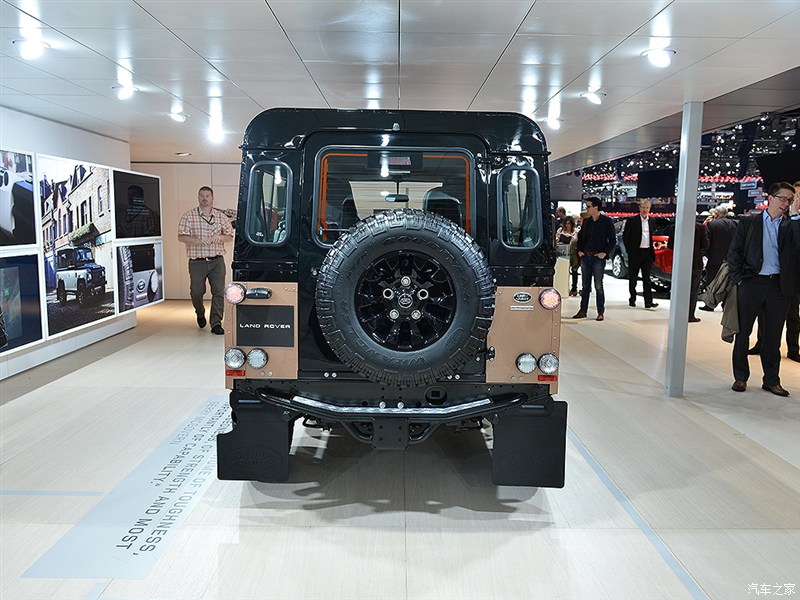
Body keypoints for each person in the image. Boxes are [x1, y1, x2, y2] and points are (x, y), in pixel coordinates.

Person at [728, 182, 799, 396]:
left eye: (790, 200)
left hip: (779, 287)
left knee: (773, 336)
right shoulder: (749, 222)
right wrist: (739, 279)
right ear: (770, 198)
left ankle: (771, 380)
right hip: (751, 283)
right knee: (743, 332)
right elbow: (734, 252)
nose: (785, 203)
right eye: (782, 198)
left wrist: (796, 217)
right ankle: (740, 377)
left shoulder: (791, 225)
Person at [178, 186, 234, 335]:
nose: (204, 198)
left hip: (217, 261)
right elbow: (181, 237)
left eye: (207, 196)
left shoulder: (221, 217)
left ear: (212, 198)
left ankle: (216, 323)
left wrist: (220, 238)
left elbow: (230, 237)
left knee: (218, 292)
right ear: (198, 197)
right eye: (202, 196)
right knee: (196, 292)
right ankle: (200, 312)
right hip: (197, 262)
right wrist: (198, 241)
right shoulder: (188, 216)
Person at [572, 197, 616, 321]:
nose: (587, 209)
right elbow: (581, 238)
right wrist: (580, 251)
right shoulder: (587, 221)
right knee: (585, 286)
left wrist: (604, 253)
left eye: (588, 206)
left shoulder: (606, 221)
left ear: (596, 207)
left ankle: (600, 312)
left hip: (598, 258)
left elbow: (613, 240)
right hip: (586, 257)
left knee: (598, 286)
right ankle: (583, 310)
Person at [699, 206, 737, 311]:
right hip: (730, 259)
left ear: (716, 214)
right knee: (727, 283)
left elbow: (707, 242)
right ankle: (725, 305)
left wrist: (705, 255)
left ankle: (709, 304)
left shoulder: (712, 224)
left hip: (714, 258)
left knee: (711, 281)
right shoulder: (734, 224)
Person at [622, 199, 658, 309]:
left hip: (647, 253)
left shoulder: (652, 221)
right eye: (643, 208)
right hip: (635, 253)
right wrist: (629, 250)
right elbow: (626, 237)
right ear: (639, 208)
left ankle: (648, 302)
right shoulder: (632, 221)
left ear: (649, 209)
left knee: (647, 278)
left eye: (647, 208)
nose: (645, 210)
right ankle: (632, 299)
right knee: (633, 278)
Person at [556, 216, 579, 295]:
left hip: (573, 253)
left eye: (569, 224)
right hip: (563, 253)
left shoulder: (576, 231)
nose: (567, 225)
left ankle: (574, 288)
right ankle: (563, 288)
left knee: (574, 270)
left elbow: (577, 241)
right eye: (566, 223)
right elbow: (556, 240)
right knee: (563, 270)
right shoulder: (560, 230)